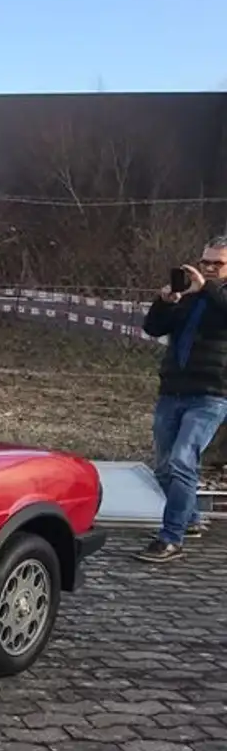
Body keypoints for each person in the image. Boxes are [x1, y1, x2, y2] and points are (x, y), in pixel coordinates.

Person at [134, 237, 227, 563]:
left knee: (182, 460)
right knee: (163, 466)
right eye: (206, 262)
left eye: (218, 263)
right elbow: (152, 328)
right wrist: (165, 301)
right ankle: (188, 519)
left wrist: (207, 289)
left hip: (211, 394)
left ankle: (170, 537)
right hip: (172, 391)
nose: (210, 269)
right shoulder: (191, 298)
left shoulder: (217, 296)